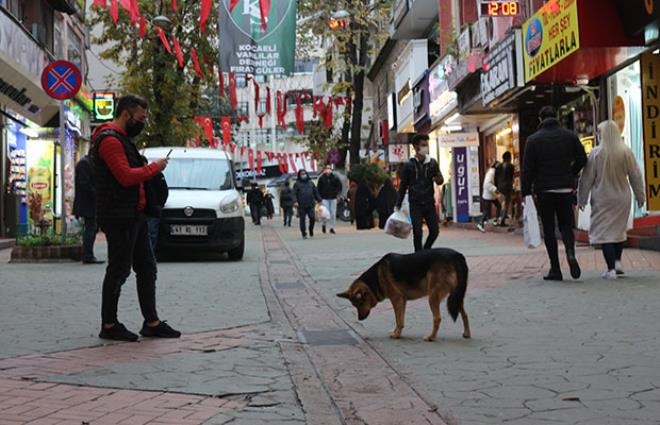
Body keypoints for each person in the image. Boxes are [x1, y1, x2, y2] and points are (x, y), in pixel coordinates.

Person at [91, 94, 180, 341]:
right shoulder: (109, 140)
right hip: (119, 215)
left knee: (146, 267)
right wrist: (154, 168)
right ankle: (109, 324)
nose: (143, 122)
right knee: (119, 269)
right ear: (126, 114)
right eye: (140, 117)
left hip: (134, 214)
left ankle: (151, 321)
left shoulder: (122, 140)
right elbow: (125, 176)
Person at [522, 106, 587, 281]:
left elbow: (527, 169)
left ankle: (555, 269)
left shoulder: (533, 140)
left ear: (540, 119)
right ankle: (570, 253)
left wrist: (526, 191)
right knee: (566, 225)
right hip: (565, 188)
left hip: (544, 190)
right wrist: (571, 174)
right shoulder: (569, 136)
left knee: (549, 229)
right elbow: (582, 158)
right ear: (555, 117)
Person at [578, 120, 645, 279]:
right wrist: (640, 195)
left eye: (599, 133)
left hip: (603, 197)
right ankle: (617, 262)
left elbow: (586, 178)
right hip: (622, 197)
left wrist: (582, 198)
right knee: (618, 230)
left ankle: (610, 269)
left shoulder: (596, 153)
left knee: (606, 233)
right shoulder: (625, 152)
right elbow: (635, 175)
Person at [396, 134, 444, 252]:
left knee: (434, 231)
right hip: (415, 203)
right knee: (417, 232)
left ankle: (425, 250)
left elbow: (440, 179)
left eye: (426, 145)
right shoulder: (409, 165)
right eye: (423, 145)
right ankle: (418, 256)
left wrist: (438, 179)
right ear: (415, 147)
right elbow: (403, 186)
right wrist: (398, 203)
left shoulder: (432, 163)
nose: (425, 148)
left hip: (429, 202)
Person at [73, 154, 103, 264]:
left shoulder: (88, 163)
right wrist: (97, 194)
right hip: (87, 204)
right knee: (90, 228)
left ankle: (88, 254)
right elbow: (84, 184)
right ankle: (87, 255)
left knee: (92, 228)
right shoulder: (84, 163)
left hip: (89, 203)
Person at [144, 159, 168, 252]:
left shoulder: (156, 175)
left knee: (151, 234)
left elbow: (164, 191)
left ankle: (150, 254)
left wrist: (159, 205)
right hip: (144, 210)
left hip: (152, 211)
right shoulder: (139, 176)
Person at [293, 169, 321, 239]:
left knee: (312, 217)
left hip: (310, 203)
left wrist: (319, 200)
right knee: (302, 219)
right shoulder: (297, 184)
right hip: (301, 204)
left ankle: (311, 229)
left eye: (304, 173)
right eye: (302, 174)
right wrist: (295, 201)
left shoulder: (311, 183)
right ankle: (303, 233)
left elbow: (315, 192)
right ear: (299, 175)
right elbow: (294, 194)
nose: (303, 175)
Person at [317, 165, 343, 234]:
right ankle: (324, 224)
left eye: (329, 168)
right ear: (325, 170)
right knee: (325, 213)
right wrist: (319, 199)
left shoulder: (335, 178)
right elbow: (318, 189)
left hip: (333, 198)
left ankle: (332, 227)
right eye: (327, 168)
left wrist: (338, 195)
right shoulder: (321, 178)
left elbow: (339, 187)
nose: (328, 170)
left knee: (333, 213)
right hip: (324, 198)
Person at [477, 161, 501, 233]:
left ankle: (496, 220)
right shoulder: (491, 173)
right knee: (486, 210)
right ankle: (480, 223)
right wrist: (495, 189)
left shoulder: (491, 172)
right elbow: (487, 183)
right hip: (488, 195)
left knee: (498, 206)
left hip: (490, 194)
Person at [495, 151, 515, 226]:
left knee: (501, 203)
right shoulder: (511, 166)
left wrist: (497, 187)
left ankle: (499, 219)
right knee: (506, 203)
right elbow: (512, 177)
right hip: (508, 186)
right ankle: (502, 220)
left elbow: (496, 178)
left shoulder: (498, 166)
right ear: (509, 158)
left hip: (500, 186)